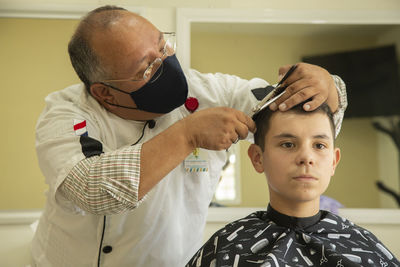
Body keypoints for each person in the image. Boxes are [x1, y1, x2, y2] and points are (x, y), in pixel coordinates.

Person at [31, 5, 348, 267]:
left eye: (162, 45)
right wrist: (186, 135)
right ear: (105, 92)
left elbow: (290, 109)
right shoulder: (65, 113)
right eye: (147, 69)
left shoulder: (210, 92)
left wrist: (326, 87)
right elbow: (92, 189)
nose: (166, 63)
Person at [186, 102, 399, 267]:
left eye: (319, 145)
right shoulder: (226, 247)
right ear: (257, 158)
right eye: (288, 144)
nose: (306, 157)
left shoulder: (363, 246)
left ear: (333, 161)